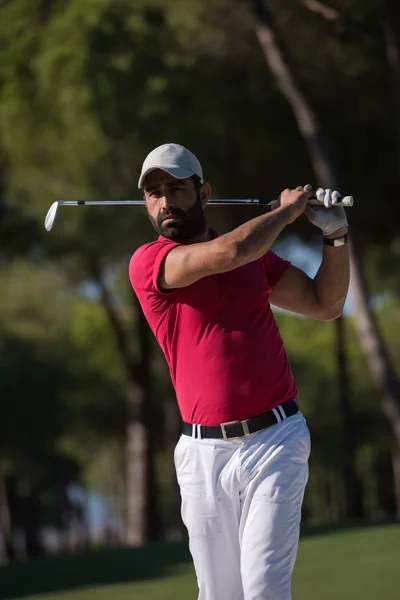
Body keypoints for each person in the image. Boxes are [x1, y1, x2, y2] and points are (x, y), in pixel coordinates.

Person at [129, 143, 349, 600]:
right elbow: (230, 252)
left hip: (276, 441)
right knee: (219, 595)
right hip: (201, 455)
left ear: (203, 193)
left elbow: (325, 305)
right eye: (153, 193)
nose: (165, 201)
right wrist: (286, 213)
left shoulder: (256, 259)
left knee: (264, 590)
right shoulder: (150, 262)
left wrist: (335, 238)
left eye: (176, 187)